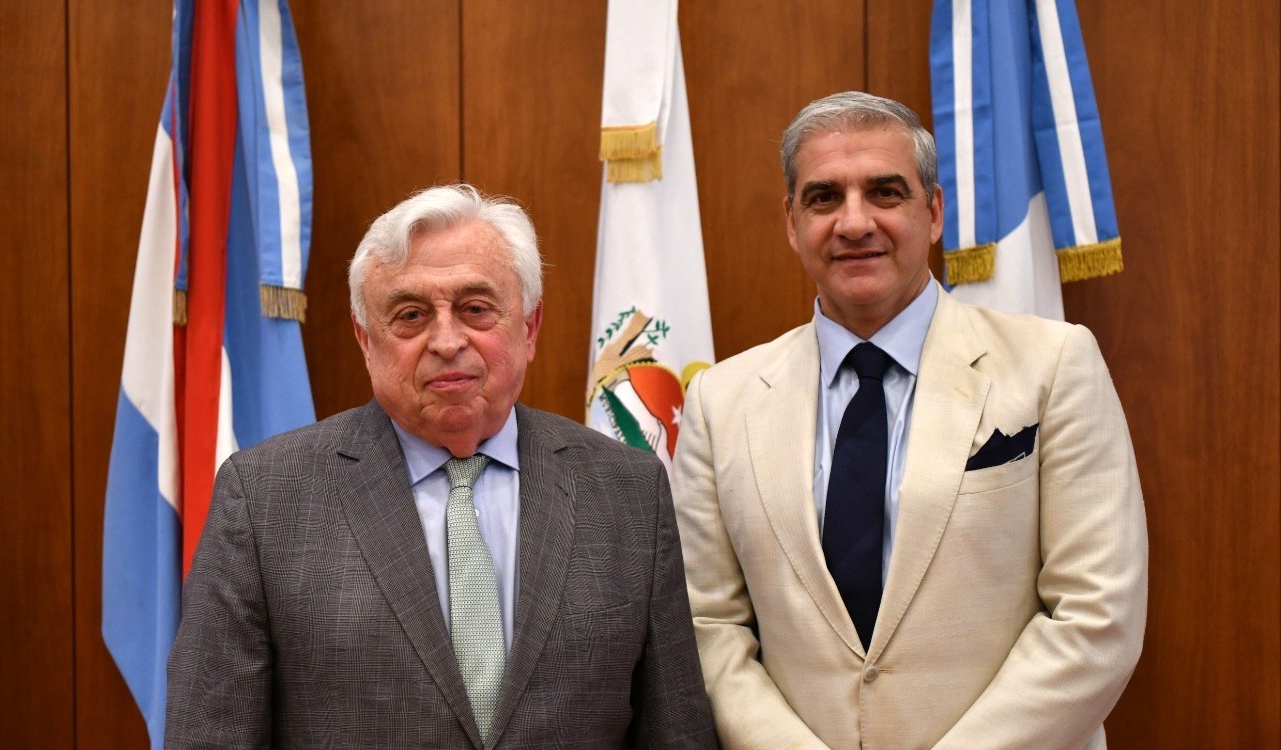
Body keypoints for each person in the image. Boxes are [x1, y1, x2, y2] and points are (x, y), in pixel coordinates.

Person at [671, 92, 1147, 749]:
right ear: (792, 222)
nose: (854, 222)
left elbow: (1096, 618)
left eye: (885, 193)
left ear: (934, 212)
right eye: (824, 198)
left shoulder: (1053, 367)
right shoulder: (720, 402)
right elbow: (707, 627)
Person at [166, 184, 717, 749]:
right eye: (411, 315)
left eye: (476, 309)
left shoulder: (628, 490)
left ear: (529, 328)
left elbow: (677, 733)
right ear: (366, 340)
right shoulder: (265, 497)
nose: (448, 341)